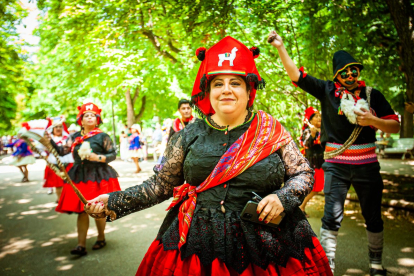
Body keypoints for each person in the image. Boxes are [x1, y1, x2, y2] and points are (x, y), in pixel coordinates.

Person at [86, 36, 332, 275]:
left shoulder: (271, 129)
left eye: (235, 83)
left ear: (249, 89)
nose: (226, 90)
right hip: (196, 242)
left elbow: (302, 172)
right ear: (208, 91)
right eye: (218, 84)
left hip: (271, 241)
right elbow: (160, 186)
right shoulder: (187, 135)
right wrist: (114, 201)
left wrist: (283, 198)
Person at [268, 30, 400, 275]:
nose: (350, 74)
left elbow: (395, 125)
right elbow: (296, 76)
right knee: (331, 217)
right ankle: (327, 266)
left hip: (367, 165)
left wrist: (373, 119)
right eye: (344, 71)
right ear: (337, 75)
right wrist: (280, 47)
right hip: (336, 167)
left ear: (358, 71)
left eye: (354, 70)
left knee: (373, 216)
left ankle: (376, 265)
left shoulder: (372, 95)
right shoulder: (327, 90)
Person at [50, 102, 121, 256]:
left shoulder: (103, 136)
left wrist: (99, 157)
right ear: (80, 120)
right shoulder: (74, 137)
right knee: (83, 211)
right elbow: (62, 151)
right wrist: (47, 141)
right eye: (86, 115)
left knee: (98, 210)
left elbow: (112, 154)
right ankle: (81, 245)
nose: (89, 118)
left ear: (97, 119)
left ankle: (101, 238)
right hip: (80, 176)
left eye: (92, 116)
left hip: (99, 176)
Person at [299, 107, 324, 216]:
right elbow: (306, 144)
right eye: (316, 116)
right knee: (314, 187)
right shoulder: (308, 131)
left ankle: (301, 206)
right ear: (310, 120)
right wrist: (313, 135)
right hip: (312, 164)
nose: (319, 118)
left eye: (320, 116)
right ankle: (301, 207)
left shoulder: (323, 131)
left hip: (321, 163)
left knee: (317, 187)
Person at [43, 116, 74, 200]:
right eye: (56, 127)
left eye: (60, 127)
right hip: (55, 163)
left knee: (69, 183)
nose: (58, 128)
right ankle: (60, 199)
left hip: (68, 163)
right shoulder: (49, 139)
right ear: (52, 128)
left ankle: (67, 200)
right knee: (58, 184)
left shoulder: (67, 137)